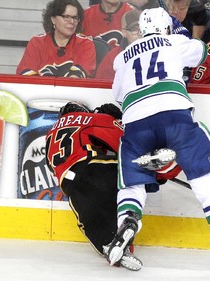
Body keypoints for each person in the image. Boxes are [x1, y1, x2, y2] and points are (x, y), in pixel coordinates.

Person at [104, 7, 210, 276]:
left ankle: (127, 223)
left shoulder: (123, 56)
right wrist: (184, 35)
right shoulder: (174, 41)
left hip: (135, 121)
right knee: (202, 178)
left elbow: (118, 96)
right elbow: (202, 53)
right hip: (174, 114)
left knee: (132, 182)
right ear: (166, 27)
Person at [45, 101, 180, 271]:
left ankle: (112, 246)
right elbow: (124, 141)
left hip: (72, 187)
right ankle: (159, 172)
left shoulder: (49, 135)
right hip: (95, 167)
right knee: (132, 174)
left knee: (94, 227)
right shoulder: (90, 119)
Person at [16, 0, 96, 78]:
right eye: (66, 17)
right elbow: (26, 74)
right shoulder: (37, 43)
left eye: (75, 17)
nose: (72, 21)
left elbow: (76, 77)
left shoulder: (85, 44)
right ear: (53, 19)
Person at [95, 9, 142, 80]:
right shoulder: (113, 58)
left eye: (143, 29)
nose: (140, 34)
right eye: (134, 30)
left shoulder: (159, 50)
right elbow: (101, 88)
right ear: (124, 32)